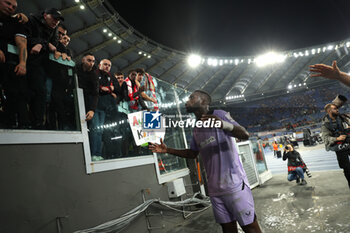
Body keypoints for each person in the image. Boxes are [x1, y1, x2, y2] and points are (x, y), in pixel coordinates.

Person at [149, 90, 262, 233]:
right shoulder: (197, 129)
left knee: (250, 227)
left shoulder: (219, 114)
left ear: (203, 101)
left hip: (235, 185)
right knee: (228, 229)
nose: (186, 101)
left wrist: (223, 125)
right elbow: (192, 153)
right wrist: (167, 150)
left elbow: (245, 134)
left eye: (191, 98)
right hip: (214, 190)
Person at [25, 8, 64, 128]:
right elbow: (23, 37)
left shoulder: (54, 29)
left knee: (40, 93)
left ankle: (37, 123)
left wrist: (42, 44)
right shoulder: (31, 20)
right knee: (26, 93)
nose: (56, 22)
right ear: (45, 15)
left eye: (58, 20)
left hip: (40, 66)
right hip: (24, 61)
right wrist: (44, 43)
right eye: (54, 18)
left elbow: (54, 46)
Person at [0, 0, 29, 128]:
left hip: (6, 64)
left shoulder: (15, 22)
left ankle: (14, 122)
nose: (11, 7)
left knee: (16, 88)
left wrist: (22, 63)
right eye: (8, 3)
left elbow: (22, 43)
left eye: (14, 7)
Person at [322, 97, 350, 188]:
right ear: (329, 111)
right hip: (340, 147)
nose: (337, 110)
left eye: (337, 108)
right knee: (347, 169)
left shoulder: (342, 118)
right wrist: (337, 138)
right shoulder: (325, 124)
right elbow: (326, 139)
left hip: (348, 142)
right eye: (335, 109)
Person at [76, 53, 98, 121]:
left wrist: (92, 110)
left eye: (93, 61)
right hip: (72, 97)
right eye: (89, 60)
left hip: (86, 102)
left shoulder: (94, 75)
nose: (91, 63)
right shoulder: (75, 68)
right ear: (83, 60)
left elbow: (95, 93)